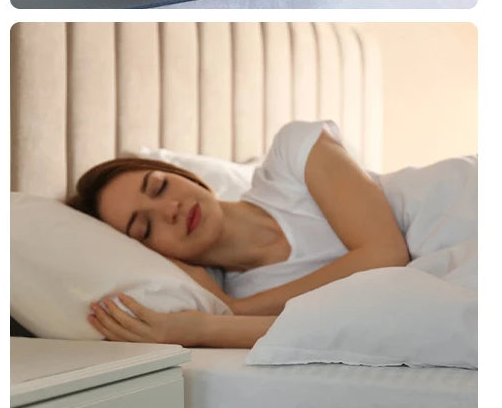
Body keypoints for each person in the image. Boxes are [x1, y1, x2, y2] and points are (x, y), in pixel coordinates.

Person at [69, 121, 408, 348]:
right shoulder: (246, 298)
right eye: (145, 227)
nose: (170, 209)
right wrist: (206, 325)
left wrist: (236, 310)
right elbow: (341, 331)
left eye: (159, 186)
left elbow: (387, 254)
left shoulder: (291, 158)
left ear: (182, 174)